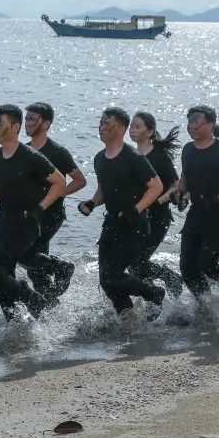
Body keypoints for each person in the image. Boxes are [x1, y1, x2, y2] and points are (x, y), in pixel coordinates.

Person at [0, 104, 66, 320]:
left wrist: (40, 208)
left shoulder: (30, 156)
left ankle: (33, 299)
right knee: (2, 281)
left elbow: (60, 183)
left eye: (1, 123)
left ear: (15, 127)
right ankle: (14, 322)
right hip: (3, 224)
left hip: (26, 224)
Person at [78, 107, 166, 317]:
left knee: (113, 275)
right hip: (111, 223)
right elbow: (103, 191)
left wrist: (134, 210)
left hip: (135, 226)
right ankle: (126, 315)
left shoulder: (132, 157)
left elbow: (156, 186)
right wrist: (91, 203)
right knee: (106, 280)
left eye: (108, 124)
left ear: (122, 129)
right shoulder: (100, 158)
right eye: (101, 123)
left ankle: (154, 293)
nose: (103, 127)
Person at [168, 106, 219, 303]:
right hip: (196, 213)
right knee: (187, 267)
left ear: (211, 124)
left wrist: (218, 199)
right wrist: (181, 192)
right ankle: (205, 305)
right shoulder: (188, 149)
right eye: (189, 122)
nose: (192, 126)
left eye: (197, 122)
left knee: (208, 264)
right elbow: (186, 176)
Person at [23, 102, 85, 302]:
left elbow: (80, 180)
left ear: (47, 123)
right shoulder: (23, 151)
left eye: (32, 119)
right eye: (26, 118)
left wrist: (59, 194)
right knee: (35, 268)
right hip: (30, 216)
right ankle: (50, 303)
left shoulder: (58, 151)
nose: (27, 123)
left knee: (27, 255)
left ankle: (63, 268)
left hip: (52, 215)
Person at [128, 112, 185, 298]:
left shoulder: (159, 156)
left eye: (137, 126)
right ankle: (153, 298)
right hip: (136, 218)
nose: (132, 130)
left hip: (157, 218)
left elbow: (175, 186)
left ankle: (168, 279)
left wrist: (156, 201)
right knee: (133, 264)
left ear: (150, 131)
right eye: (131, 126)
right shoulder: (130, 154)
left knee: (138, 262)